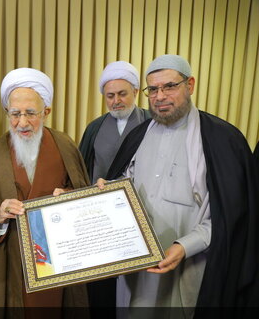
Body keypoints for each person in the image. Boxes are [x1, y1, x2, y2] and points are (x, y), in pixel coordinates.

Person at [102, 54, 258, 316]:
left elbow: (230, 218)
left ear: (190, 85)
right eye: (153, 89)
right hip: (136, 270)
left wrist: (184, 246)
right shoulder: (138, 136)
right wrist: (109, 190)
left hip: (189, 269)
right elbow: (126, 185)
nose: (160, 96)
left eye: (170, 86)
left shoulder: (222, 140)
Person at [0, 68, 89, 318]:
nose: (22, 123)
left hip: (55, 259)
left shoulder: (65, 146)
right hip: (7, 258)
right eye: (15, 114)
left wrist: (67, 199)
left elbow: (83, 196)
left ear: (46, 112)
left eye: (31, 113)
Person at [79, 61, 150, 184]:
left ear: (135, 92)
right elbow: (80, 170)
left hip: (140, 199)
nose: (116, 101)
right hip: (100, 197)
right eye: (110, 96)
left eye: (122, 94)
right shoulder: (94, 128)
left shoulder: (151, 122)